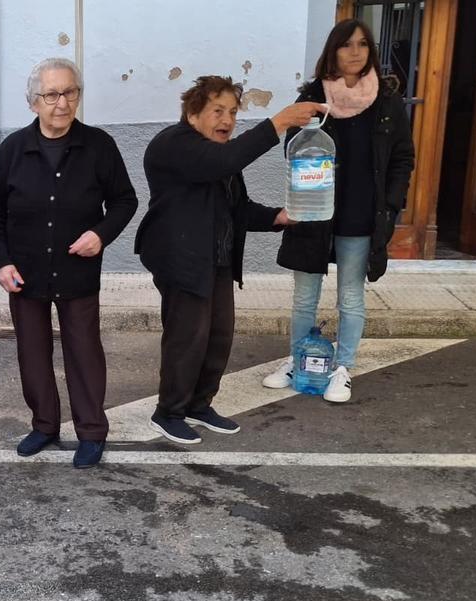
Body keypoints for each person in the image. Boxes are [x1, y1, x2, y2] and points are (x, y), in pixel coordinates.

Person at [136, 75, 322, 445]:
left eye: (233, 112)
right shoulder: (173, 144)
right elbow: (222, 161)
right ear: (193, 114)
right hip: (182, 259)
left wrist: (278, 217)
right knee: (188, 338)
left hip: (216, 259)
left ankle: (199, 405)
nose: (227, 120)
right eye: (218, 111)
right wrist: (280, 121)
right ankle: (168, 412)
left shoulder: (219, 157)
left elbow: (239, 208)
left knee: (218, 336)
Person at [0, 58, 138, 468]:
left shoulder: (99, 146)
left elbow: (125, 200)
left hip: (77, 271)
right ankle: (44, 425)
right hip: (25, 274)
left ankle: (91, 431)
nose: (62, 102)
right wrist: (1, 263)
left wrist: (100, 234)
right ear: (33, 101)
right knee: (32, 355)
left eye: (70, 92)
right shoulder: (12, 149)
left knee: (84, 353)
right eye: (51, 94)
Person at [262, 19, 415, 402]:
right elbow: (292, 152)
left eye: (363, 44)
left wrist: (390, 206)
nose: (356, 51)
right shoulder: (313, 97)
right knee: (304, 297)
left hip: (361, 214)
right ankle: (299, 359)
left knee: (350, 296)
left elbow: (402, 158)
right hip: (313, 213)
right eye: (347, 44)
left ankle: (343, 368)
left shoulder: (386, 100)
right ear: (333, 50)